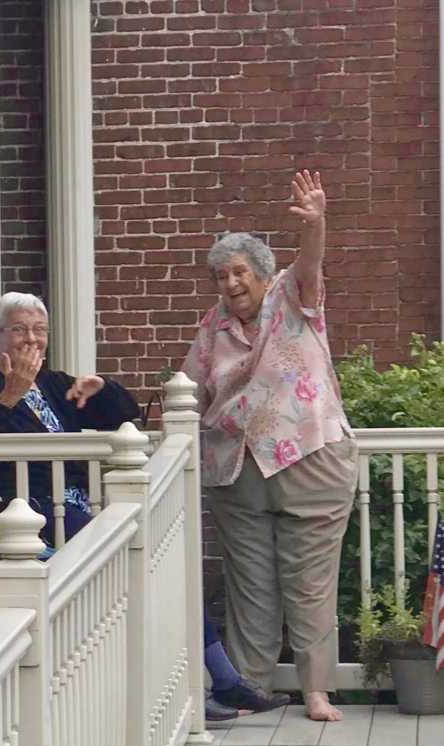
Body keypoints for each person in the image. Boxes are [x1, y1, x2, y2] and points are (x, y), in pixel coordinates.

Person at [182, 170, 357, 722]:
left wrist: (315, 224)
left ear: (261, 275)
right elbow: (186, 390)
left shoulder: (291, 296)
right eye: (220, 275)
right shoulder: (213, 326)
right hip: (236, 468)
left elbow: (310, 264)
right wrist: (109, 395)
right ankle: (250, 686)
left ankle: (316, 690)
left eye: (238, 273)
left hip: (309, 455)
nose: (229, 283)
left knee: (309, 581)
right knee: (250, 583)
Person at [0, 292, 138, 545]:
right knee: (107, 543)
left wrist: (102, 390)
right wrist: (9, 396)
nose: (31, 339)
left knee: (128, 532)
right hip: (25, 508)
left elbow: (126, 414)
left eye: (40, 330)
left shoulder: (53, 383)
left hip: (77, 503)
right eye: (19, 329)